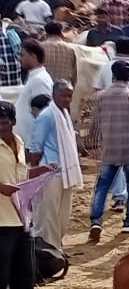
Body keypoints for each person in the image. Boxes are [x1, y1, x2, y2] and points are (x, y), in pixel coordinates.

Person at [0, 101, 51, 289]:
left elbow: (20, 174)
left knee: (25, 274)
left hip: (21, 218)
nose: (1, 127)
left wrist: (39, 171)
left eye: (5, 122)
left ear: (13, 121)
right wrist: (1, 188)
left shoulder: (18, 142)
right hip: (1, 221)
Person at [87, 60, 129, 241]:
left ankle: (96, 221)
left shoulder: (101, 97)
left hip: (109, 149)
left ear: (113, 75)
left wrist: (94, 143)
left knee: (102, 187)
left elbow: (95, 123)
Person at [27, 81, 81, 253]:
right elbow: (35, 148)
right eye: (63, 95)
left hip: (65, 172)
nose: (67, 99)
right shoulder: (47, 116)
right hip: (49, 173)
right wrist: (35, 175)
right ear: (54, 95)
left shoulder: (64, 113)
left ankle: (55, 247)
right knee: (47, 215)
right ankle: (45, 251)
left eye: (70, 96)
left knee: (62, 215)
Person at [16, 40, 53, 150]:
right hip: (26, 140)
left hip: (31, 143)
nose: (20, 58)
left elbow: (42, 114)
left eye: (22, 55)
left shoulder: (40, 80)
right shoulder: (34, 77)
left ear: (33, 56)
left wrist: (35, 146)